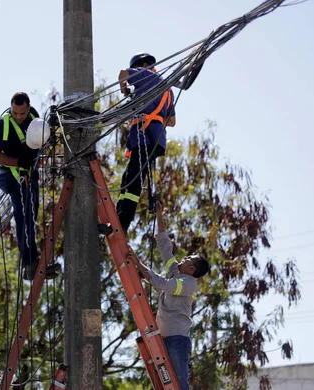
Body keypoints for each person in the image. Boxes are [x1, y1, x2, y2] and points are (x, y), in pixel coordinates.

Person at [126, 203, 209, 390]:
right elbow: (165, 247)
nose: (184, 258)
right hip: (164, 338)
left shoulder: (188, 284)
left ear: (191, 269)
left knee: (178, 385)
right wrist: (159, 215)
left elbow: (162, 284)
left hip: (177, 340)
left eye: (189, 259)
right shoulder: (176, 273)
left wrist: (139, 264)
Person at [0, 92, 60, 280]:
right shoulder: (2, 125)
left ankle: (31, 259)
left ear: (28, 109)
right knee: (25, 215)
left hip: (28, 171)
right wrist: (17, 162)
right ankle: (30, 263)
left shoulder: (34, 119)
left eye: (22, 113)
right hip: (10, 174)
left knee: (32, 212)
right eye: (15, 113)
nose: (19, 117)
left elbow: (42, 140)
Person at [115, 52, 177, 234]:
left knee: (132, 179)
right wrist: (154, 116)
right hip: (155, 140)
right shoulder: (167, 89)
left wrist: (124, 89)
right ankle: (120, 219)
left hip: (143, 137)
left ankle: (122, 224)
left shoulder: (144, 75)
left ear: (140, 65)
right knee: (130, 176)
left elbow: (122, 74)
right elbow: (172, 121)